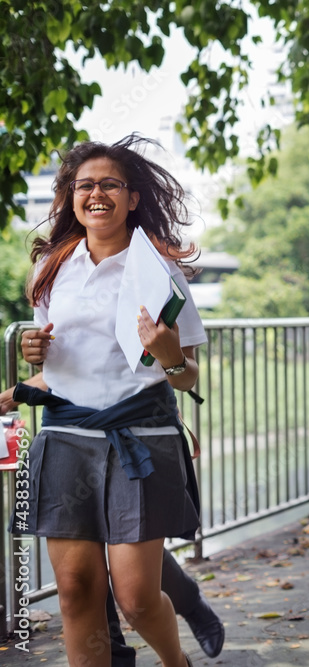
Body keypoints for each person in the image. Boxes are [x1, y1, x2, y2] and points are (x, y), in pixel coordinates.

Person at [0, 133, 208, 667]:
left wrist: (169, 355)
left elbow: (186, 379)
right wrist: (29, 363)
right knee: (74, 589)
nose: (96, 194)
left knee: (136, 597)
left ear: (132, 197)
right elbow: (56, 371)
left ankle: (176, 663)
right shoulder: (53, 267)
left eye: (109, 185)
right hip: (67, 440)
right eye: (84, 185)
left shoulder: (157, 269)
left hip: (140, 438)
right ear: (71, 196)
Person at [2, 337, 225, 664]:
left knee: (134, 578)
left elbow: (167, 370)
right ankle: (119, 656)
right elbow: (73, 367)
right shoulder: (51, 286)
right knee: (81, 580)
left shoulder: (156, 286)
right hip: (72, 432)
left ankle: (189, 605)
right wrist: (23, 380)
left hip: (139, 425)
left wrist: (166, 400)